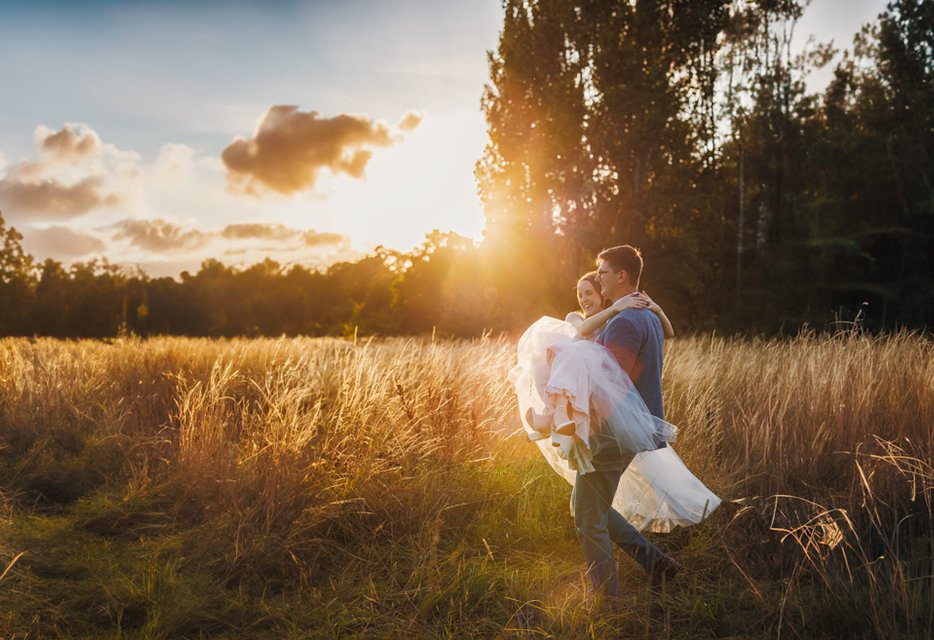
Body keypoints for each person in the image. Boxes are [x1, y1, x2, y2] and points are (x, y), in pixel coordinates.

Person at [508, 245, 720, 602]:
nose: (599, 277)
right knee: (588, 506)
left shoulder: (625, 320)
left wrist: (583, 429)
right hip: (626, 429)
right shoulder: (646, 315)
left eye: (603, 271)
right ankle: (657, 564)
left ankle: (609, 601)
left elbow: (610, 385)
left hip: (610, 432)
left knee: (588, 519)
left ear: (622, 276)